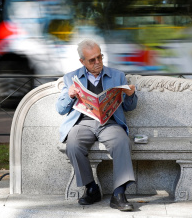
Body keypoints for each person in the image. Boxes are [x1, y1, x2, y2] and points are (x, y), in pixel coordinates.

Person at [56, 39, 137, 211]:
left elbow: (130, 107)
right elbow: (60, 110)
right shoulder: (71, 78)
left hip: (109, 123)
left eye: (99, 57)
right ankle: (91, 188)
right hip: (83, 123)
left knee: (122, 142)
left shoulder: (117, 76)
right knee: (73, 145)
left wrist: (130, 95)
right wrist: (70, 95)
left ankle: (119, 194)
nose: (97, 62)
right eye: (92, 60)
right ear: (82, 61)